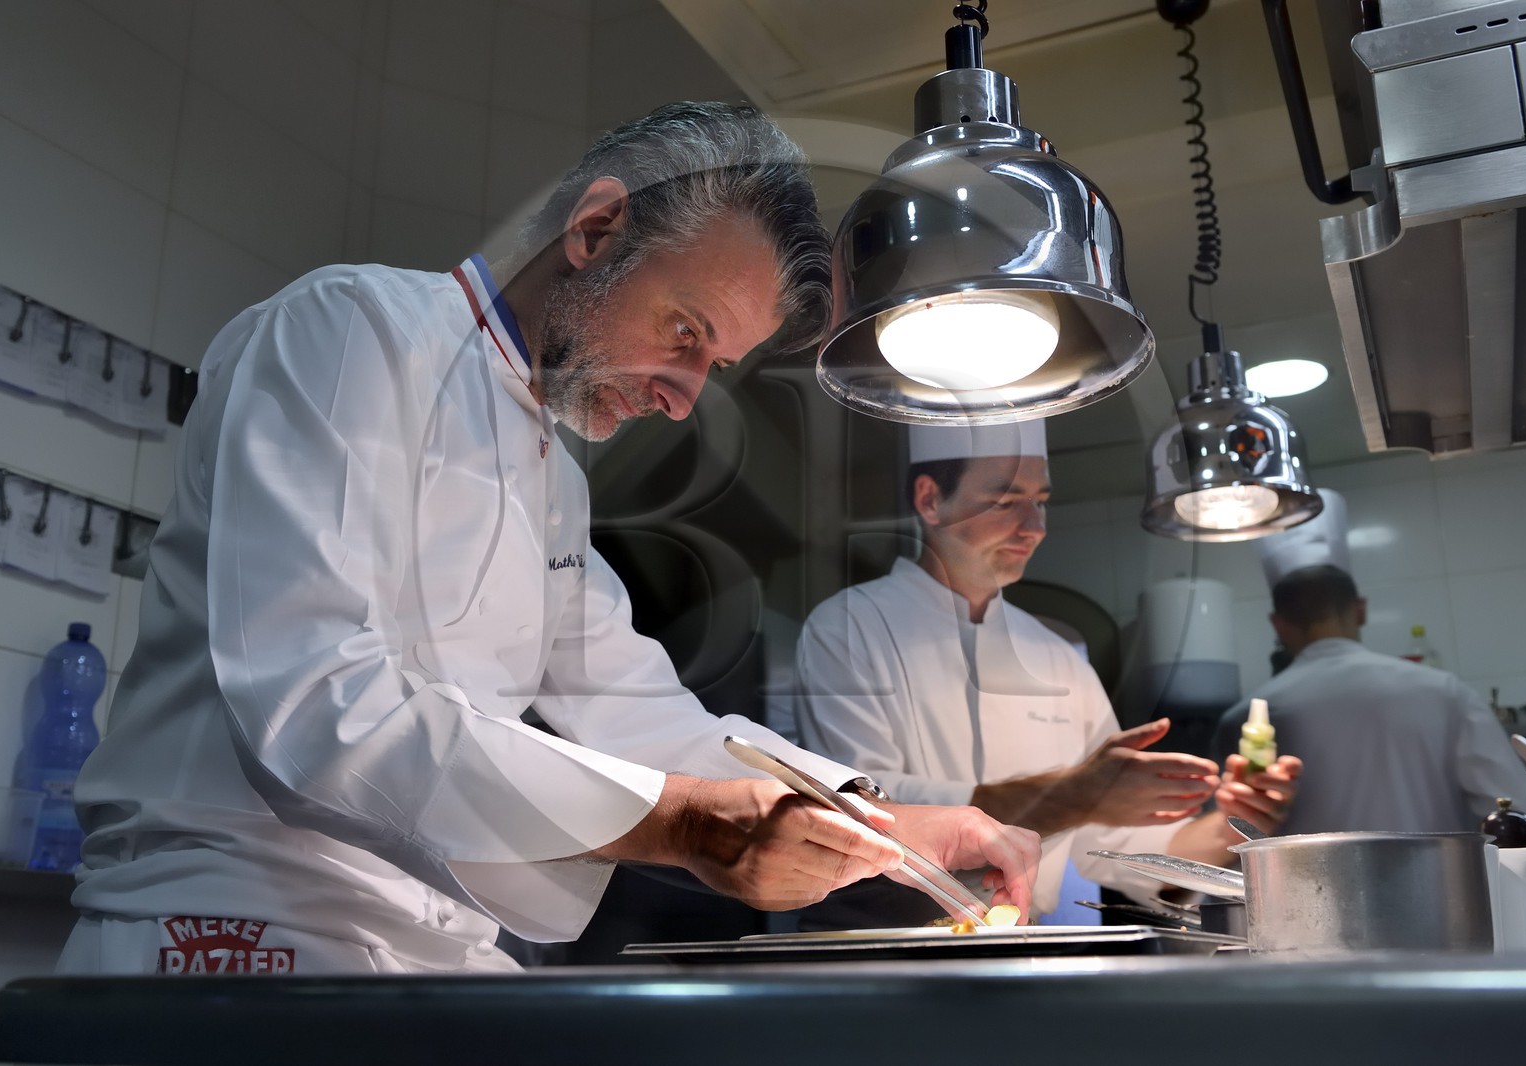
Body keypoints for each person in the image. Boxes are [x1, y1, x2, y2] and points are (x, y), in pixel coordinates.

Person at [57, 102, 1041, 976]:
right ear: (596, 226)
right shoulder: (350, 329)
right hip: (233, 925)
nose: (684, 394)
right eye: (684, 332)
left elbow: (643, 715)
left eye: (716, 365)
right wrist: (686, 822)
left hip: (430, 945)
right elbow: (314, 701)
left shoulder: (551, 481)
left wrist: (893, 825)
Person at [793, 422, 1301, 925]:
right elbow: (864, 807)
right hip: (879, 955)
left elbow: (1111, 846)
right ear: (930, 500)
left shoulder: (1057, 657)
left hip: (1017, 949)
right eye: (1005, 500)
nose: (1034, 527)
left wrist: (1231, 826)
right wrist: (1075, 794)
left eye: (1040, 500)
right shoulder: (847, 627)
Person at [1212, 564, 1526, 860]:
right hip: (1446, 923)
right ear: (1361, 610)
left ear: (1278, 625)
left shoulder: (1243, 718)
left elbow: (1227, 842)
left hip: (1300, 925)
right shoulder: (1444, 692)